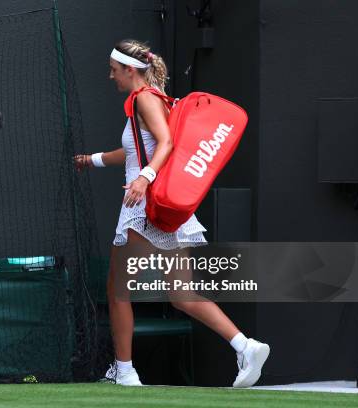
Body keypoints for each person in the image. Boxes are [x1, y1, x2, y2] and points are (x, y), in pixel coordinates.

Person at [74, 39, 270, 387]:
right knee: (181, 294)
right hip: (166, 211)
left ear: (130, 70)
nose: (110, 76)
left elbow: (165, 143)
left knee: (118, 290)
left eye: (114, 70)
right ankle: (246, 345)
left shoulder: (143, 99)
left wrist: (144, 180)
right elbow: (135, 149)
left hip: (145, 208)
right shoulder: (154, 100)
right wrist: (95, 160)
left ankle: (125, 371)